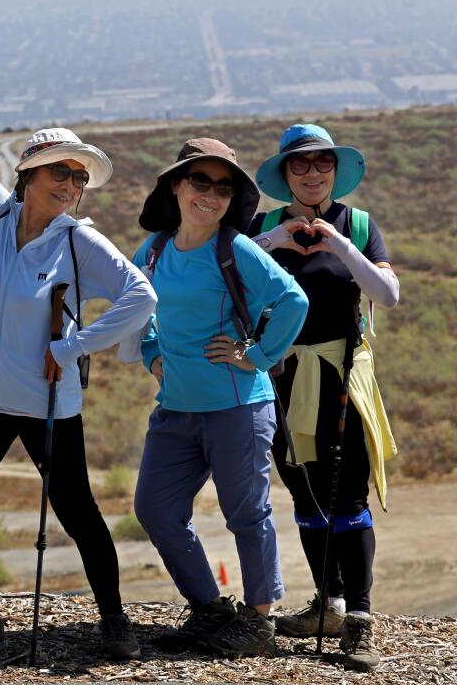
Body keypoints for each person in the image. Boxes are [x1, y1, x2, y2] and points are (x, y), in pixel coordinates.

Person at [0, 4, 156, 659]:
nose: (72, 184)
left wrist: (70, 347)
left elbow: (140, 296)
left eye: (79, 176)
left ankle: (115, 623)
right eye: (60, 172)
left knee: (79, 517)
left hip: (47, 404)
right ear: (29, 174)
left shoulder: (81, 243)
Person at [130, 139, 308, 657]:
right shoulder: (157, 248)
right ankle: (209, 608)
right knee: (156, 510)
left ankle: (257, 621)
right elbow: (136, 305)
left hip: (237, 406)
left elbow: (293, 299)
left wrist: (257, 354)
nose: (211, 194)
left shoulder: (236, 248)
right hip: (176, 407)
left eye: (223, 186)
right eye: (200, 182)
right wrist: (150, 354)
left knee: (246, 514)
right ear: (177, 187)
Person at [247, 123, 398, 672]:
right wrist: (274, 242)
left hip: (339, 376)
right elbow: (228, 277)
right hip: (279, 377)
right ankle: (328, 603)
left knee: (348, 495)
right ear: (285, 174)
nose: (312, 173)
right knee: (306, 495)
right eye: (300, 165)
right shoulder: (260, 225)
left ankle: (358, 618)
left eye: (322, 164)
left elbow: (388, 293)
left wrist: (339, 246)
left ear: (336, 171)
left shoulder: (357, 225)